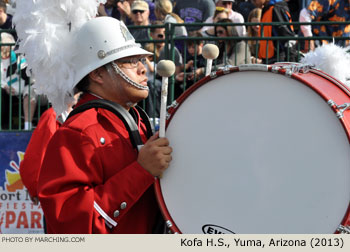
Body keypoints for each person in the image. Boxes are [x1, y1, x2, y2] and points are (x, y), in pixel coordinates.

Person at [34, 17, 173, 234]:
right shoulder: (79, 132)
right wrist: (141, 171)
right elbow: (70, 226)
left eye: (141, 60)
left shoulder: (135, 119)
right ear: (97, 73)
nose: (143, 69)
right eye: (130, 61)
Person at [19, 93, 80, 206]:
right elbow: (39, 154)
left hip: (73, 186)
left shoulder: (78, 114)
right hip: (56, 187)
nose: (75, 94)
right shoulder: (51, 115)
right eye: (71, 91)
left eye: (76, 91)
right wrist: (35, 188)